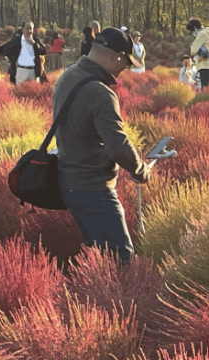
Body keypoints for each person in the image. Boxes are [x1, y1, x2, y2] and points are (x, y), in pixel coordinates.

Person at [53, 27, 150, 265]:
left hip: (69, 183)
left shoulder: (69, 75)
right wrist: (140, 170)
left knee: (98, 256)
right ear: (116, 56)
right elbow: (117, 145)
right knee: (121, 260)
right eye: (125, 62)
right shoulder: (101, 93)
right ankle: (113, 301)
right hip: (94, 189)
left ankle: (93, 298)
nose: (125, 69)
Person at [187, 18, 209, 91]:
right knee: (206, 85)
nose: (192, 33)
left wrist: (192, 46)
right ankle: (206, 100)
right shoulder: (207, 32)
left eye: (192, 31)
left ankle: (206, 101)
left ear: (195, 28)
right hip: (208, 64)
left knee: (205, 87)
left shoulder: (202, 34)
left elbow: (193, 50)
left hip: (204, 64)